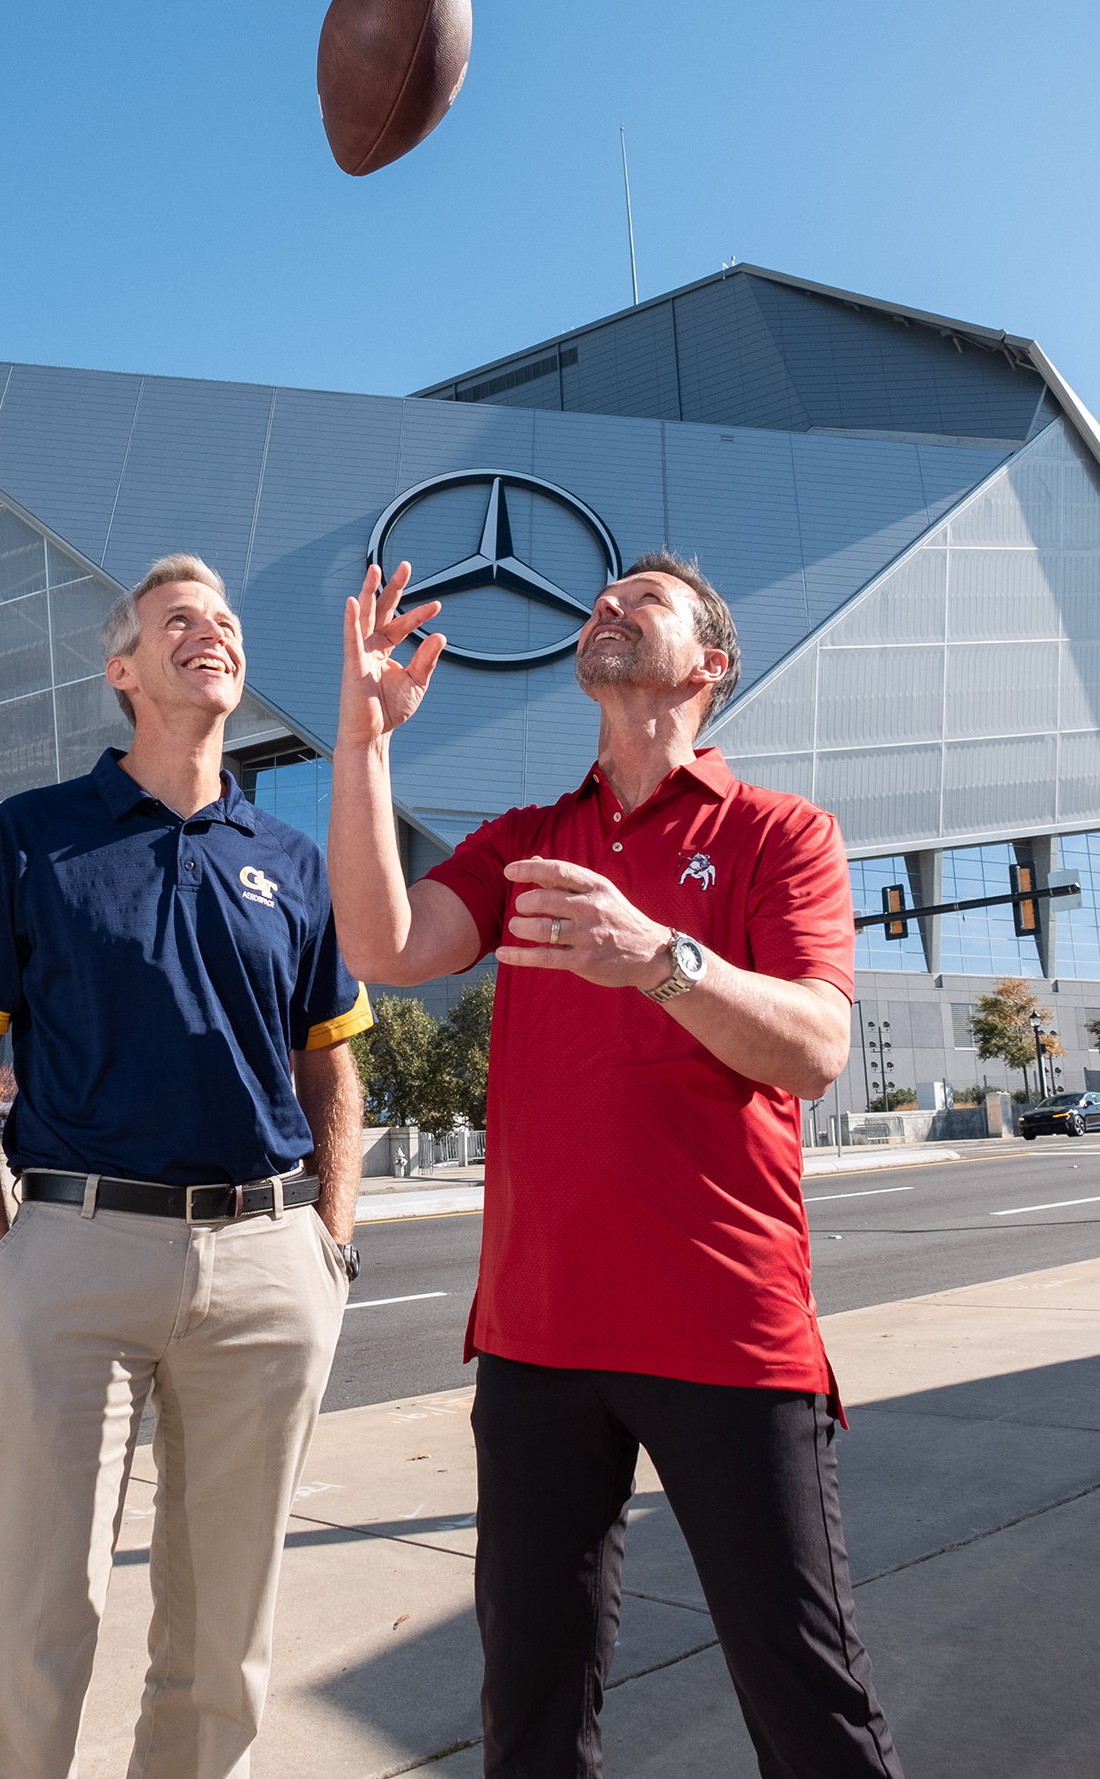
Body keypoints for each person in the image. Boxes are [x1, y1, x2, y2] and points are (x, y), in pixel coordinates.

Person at [327, 553, 904, 1778]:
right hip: (538, 1343)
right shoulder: (528, 842)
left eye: (636, 599)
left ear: (706, 663)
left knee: (809, 1708)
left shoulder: (778, 835)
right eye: (597, 598)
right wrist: (364, 741)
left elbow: (814, 1046)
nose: (601, 606)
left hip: (727, 1332)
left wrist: (656, 955)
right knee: (527, 1719)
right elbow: (381, 942)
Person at [0, 552, 371, 1779]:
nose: (210, 631)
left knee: (224, 1652)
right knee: (27, 1625)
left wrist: (326, 1245)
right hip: (74, 1253)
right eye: (178, 619)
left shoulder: (289, 857)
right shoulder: (31, 840)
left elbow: (333, 1070)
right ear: (122, 670)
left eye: (223, 619)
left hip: (269, 1261)